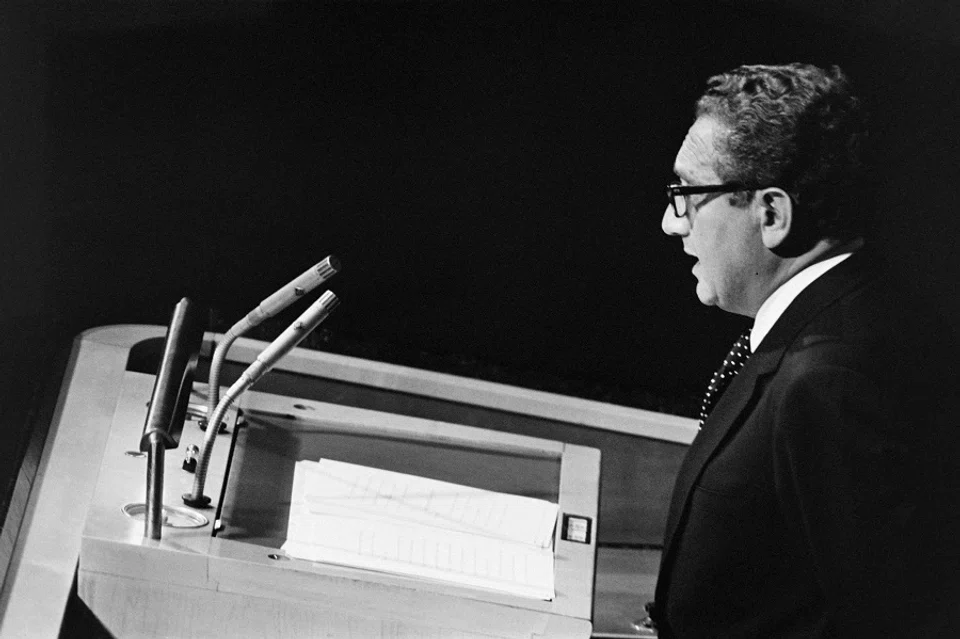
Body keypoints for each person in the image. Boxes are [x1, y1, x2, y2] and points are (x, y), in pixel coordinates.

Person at [650, 63, 960, 638]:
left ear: (771, 213)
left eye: (686, 195)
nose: (672, 223)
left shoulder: (831, 377)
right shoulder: (853, 307)